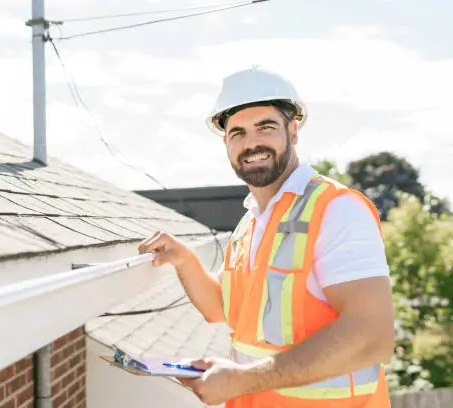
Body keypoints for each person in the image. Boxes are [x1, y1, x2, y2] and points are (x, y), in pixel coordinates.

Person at [138, 67, 394, 407]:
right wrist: (185, 260)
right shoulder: (250, 223)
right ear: (225, 142)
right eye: (238, 133)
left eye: (266, 127)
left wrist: (243, 380)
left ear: (293, 130)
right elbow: (223, 310)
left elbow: (371, 337)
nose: (251, 143)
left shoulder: (336, 210)